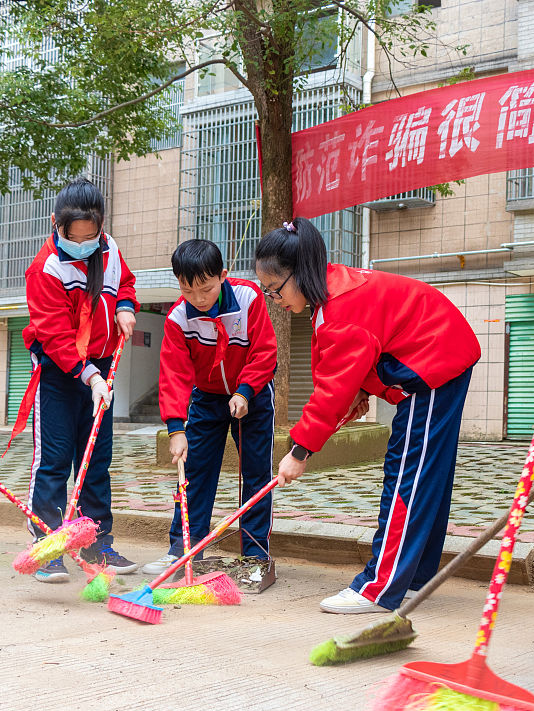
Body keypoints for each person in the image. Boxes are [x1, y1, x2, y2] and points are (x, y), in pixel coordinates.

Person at [257, 217, 479, 613]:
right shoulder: (333, 290)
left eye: (275, 290)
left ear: (300, 272)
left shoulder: (340, 309)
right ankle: (413, 578)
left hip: (434, 367)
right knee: (428, 475)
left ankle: (379, 587)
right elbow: (352, 369)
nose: (276, 300)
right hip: (441, 358)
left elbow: (331, 390)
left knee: (407, 477)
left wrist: (299, 450)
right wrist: (363, 389)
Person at [17, 178, 139, 581]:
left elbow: (125, 283)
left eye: (93, 235)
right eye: (77, 237)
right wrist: (87, 375)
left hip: (101, 368)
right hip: (60, 372)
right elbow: (53, 335)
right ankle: (48, 546)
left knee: (95, 461)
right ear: (57, 224)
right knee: (53, 463)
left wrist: (124, 306)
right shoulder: (45, 268)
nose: (86, 244)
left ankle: (96, 542)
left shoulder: (111, 249)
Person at [145, 240, 277, 574]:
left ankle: (255, 555)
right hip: (206, 397)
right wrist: (176, 429)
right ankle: (185, 550)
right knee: (193, 474)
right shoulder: (178, 318)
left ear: (223, 276)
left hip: (253, 395)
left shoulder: (248, 298)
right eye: (188, 291)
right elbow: (173, 374)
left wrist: (245, 392)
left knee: (256, 473)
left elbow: (265, 352)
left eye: (206, 289)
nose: (199, 300)